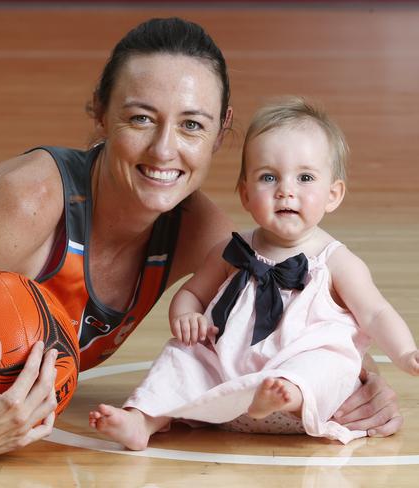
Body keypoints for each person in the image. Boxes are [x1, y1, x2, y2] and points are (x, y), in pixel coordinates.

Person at [0, 18, 400, 464]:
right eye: (139, 118)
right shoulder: (29, 200)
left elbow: (297, 306)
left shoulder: (203, 233)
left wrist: (356, 384)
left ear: (220, 134)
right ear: (99, 112)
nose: (164, 150)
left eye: (192, 126)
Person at [89, 96, 416, 449]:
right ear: (245, 194)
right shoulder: (233, 251)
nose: (286, 190)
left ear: (333, 194)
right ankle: (143, 420)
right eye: (268, 177)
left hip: (298, 390)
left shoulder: (335, 260)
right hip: (230, 381)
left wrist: (405, 352)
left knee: (331, 361)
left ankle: (286, 394)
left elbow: (375, 312)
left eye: (305, 177)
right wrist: (186, 316)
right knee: (181, 356)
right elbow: (192, 293)